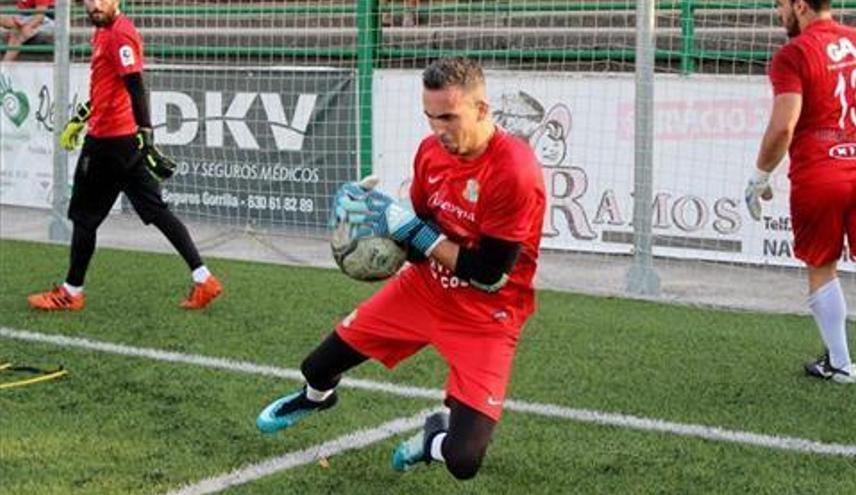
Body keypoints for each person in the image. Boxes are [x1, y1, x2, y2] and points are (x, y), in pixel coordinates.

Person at [256, 57, 546, 480]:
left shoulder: (514, 171)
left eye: (449, 117)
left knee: (464, 461)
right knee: (315, 368)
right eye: (430, 118)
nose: (439, 130)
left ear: (482, 109)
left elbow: (488, 273)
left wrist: (411, 228)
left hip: (487, 313)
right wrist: (368, 229)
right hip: (425, 289)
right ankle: (317, 398)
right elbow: (419, 241)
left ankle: (433, 437)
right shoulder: (430, 152)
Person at [27, 0, 223, 311]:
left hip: (108, 144)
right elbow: (104, 89)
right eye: (88, 0)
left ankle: (71, 291)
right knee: (157, 211)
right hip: (122, 142)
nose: (94, 5)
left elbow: (135, 86)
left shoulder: (120, 34)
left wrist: (146, 133)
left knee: (84, 218)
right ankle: (204, 279)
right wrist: (80, 118)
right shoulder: (102, 31)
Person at [745, 0, 856, 384]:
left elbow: (784, 126)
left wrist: (759, 175)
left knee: (822, 267)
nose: (778, 13)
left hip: (821, 175)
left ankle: (841, 364)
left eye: (781, 5)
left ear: (800, 5)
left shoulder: (794, 53)